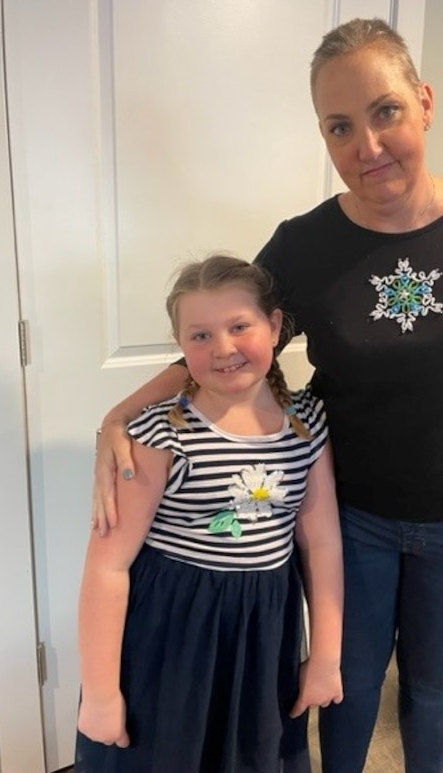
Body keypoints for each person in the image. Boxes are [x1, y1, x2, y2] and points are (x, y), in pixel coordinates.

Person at [92, 19, 443, 773]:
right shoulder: (304, 244)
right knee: (344, 690)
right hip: (350, 525)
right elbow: (233, 337)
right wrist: (119, 417)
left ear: (423, 102)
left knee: (429, 692)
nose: (366, 145)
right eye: (339, 126)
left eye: (384, 111)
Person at [76, 255, 343, 773]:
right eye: (199, 336)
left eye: (239, 326)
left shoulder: (306, 421)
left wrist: (326, 655)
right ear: (180, 346)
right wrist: (103, 694)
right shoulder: (160, 435)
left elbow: (323, 540)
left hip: (267, 628)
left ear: (275, 325)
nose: (222, 348)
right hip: (173, 631)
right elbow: (106, 567)